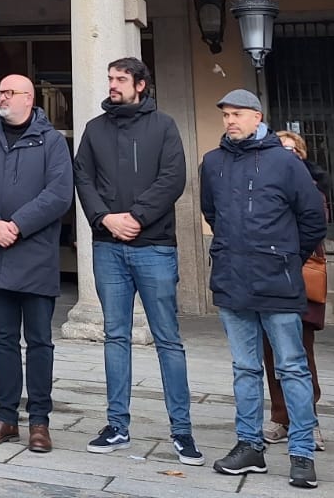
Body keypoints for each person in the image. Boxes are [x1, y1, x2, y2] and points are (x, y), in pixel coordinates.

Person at [73, 57, 201, 465]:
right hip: (107, 246)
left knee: (167, 339)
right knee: (115, 337)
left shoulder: (163, 126)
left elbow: (173, 178)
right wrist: (106, 218)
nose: (113, 84)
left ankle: (182, 431)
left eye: (121, 79)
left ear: (140, 85)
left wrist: (137, 217)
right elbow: (83, 178)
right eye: (110, 77)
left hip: (155, 247)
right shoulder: (94, 129)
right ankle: (117, 426)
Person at [200, 89, 326, 489]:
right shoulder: (213, 163)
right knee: (244, 367)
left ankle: (302, 451)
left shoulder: (285, 163)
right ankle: (249, 445)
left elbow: (313, 219)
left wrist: (286, 256)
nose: (230, 121)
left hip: (278, 280)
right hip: (232, 279)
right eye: (225, 115)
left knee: (291, 366)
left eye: (238, 114)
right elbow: (211, 212)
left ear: (258, 117)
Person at [0, 74, 75, 454]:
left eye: (10, 92)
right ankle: (5, 417)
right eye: (0, 92)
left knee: (40, 342)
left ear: (30, 98)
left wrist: (18, 224)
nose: (2, 97)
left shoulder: (53, 141)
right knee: (3, 341)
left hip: (36, 254)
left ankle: (39, 422)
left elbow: (59, 194)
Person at [263, 128, 330, 451]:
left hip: (300, 277)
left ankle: (309, 420)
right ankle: (280, 417)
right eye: (281, 150)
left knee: (301, 353)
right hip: (266, 279)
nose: (288, 156)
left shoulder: (314, 191)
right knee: (269, 352)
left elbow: (315, 226)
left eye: (294, 151)